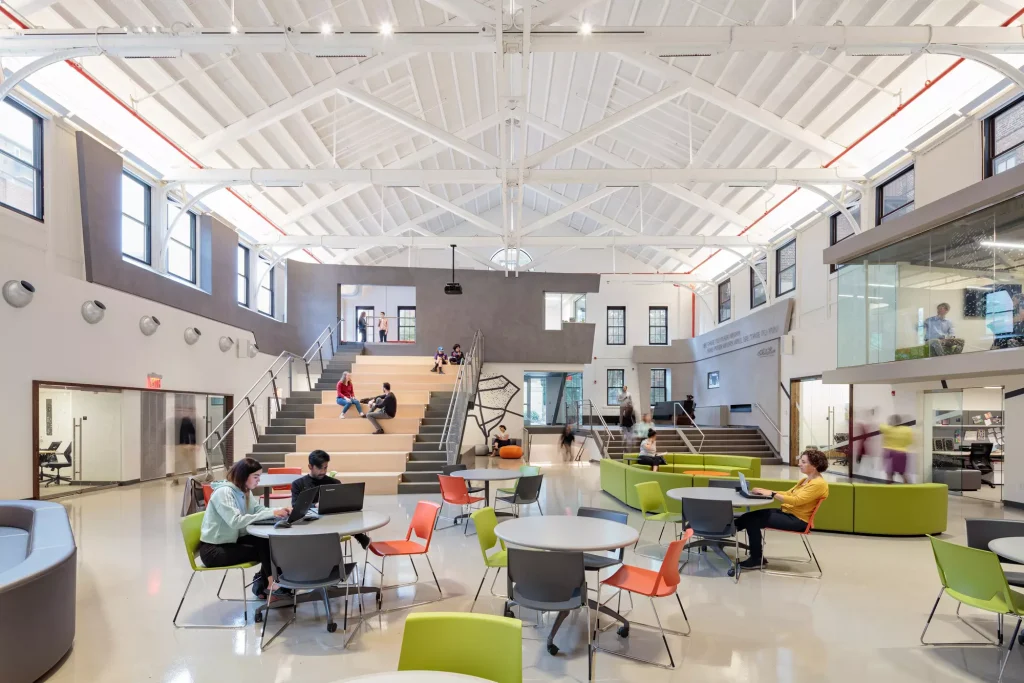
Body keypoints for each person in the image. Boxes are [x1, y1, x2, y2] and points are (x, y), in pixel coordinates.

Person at [199, 458, 291, 599]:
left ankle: (266, 585)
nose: (258, 480)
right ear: (243, 476)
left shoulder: (245, 491)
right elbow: (235, 522)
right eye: (256, 477)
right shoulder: (224, 493)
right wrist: (272, 513)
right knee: (267, 550)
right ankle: (271, 584)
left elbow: (257, 509)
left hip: (230, 542)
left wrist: (280, 510)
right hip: (213, 551)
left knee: (266, 540)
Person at [735, 449, 830, 569]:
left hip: (798, 520)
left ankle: (754, 556)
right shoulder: (805, 480)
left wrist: (772, 494)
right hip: (788, 513)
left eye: (803, 462)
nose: (799, 464)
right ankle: (727, 529)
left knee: (752, 520)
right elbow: (788, 494)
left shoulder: (818, 484)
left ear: (815, 465)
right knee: (749, 516)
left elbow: (796, 500)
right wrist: (766, 492)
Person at [290, 450, 369, 549]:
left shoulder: (334, 483)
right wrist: (315, 505)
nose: (323, 471)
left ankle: (358, 535)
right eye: (319, 468)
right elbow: (295, 505)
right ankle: (359, 536)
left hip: (332, 523)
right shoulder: (298, 484)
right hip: (309, 525)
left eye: (325, 467)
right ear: (310, 466)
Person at [879, 415, 913, 484]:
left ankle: (890, 491)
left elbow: (881, 427)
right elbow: (910, 442)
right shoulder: (907, 430)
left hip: (889, 453)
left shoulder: (887, 429)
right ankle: (909, 489)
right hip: (901, 453)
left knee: (889, 474)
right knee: (903, 473)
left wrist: (889, 424)